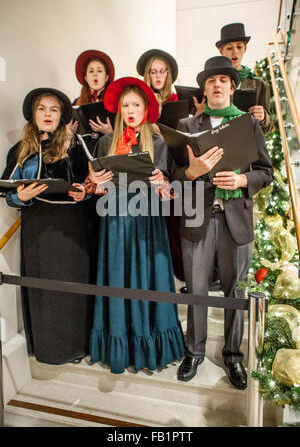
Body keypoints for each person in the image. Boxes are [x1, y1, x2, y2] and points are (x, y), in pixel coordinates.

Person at [173, 56, 273, 389]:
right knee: (196, 290)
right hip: (198, 218)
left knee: (235, 291)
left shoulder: (248, 124)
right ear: (204, 88)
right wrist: (191, 172)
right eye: (211, 80)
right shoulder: (187, 127)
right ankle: (194, 352)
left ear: (232, 87)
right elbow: (174, 175)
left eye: (223, 80)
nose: (217, 84)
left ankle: (233, 356)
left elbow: (265, 172)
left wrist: (244, 181)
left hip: (236, 220)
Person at [87, 77, 185, 374]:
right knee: (117, 277)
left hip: (147, 222)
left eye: (136, 105)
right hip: (114, 221)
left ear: (146, 109)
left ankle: (149, 343)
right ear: (119, 108)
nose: (131, 110)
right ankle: (119, 343)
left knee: (148, 279)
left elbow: (169, 194)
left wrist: (162, 183)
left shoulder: (157, 143)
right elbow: (97, 190)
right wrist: (97, 184)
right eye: (126, 105)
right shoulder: (105, 142)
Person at [5, 87, 94, 365]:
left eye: (54, 110)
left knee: (72, 290)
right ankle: (47, 347)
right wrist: (19, 196)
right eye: (42, 108)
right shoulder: (19, 150)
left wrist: (85, 193)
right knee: (44, 291)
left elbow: (91, 184)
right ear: (33, 114)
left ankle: (75, 347)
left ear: (61, 116)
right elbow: (7, 190)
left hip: (72, 229)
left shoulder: (76, 145)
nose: (47, 114)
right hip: (38, 229)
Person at [137, 49, 186, 287]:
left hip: (173, 166)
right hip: (148, 168)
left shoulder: (176, 102)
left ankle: (175, 276)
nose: (158, 76)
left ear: (169, 74)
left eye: (162, 71)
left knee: (174, 222)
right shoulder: (139, 101)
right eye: (153, 71)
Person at [216, 22, 273, 134]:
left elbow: (269, 126)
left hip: (248, 144)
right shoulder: (213, 82)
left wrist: (263, 117)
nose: (235, 52)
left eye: (239, 47)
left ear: (245, 48)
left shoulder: (258, 84)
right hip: (221, 144)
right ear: (221, 51)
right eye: (229, 48)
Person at [71, 49, 115, 152]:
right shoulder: (76, 103)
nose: (95, 75)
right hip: (84, 155)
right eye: (91, 71)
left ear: (106, 77)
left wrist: (110, 132)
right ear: (86, 77)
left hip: (109, 152)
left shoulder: (116, 102)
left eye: (99, 71)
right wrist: (70, 133)